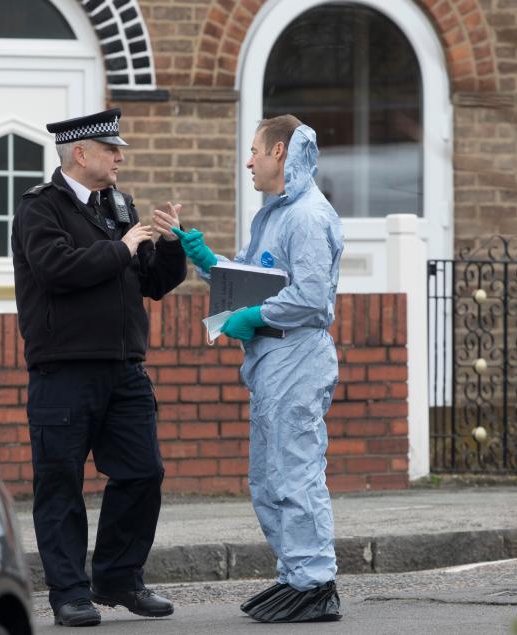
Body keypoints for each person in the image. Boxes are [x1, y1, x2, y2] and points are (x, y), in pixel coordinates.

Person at [11, 108, 186, 627]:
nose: (120, 157)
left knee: (143, 472)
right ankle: (69, 593)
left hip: (125, 370)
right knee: (60, 483)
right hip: (63, 372)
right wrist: (121, 247)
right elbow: (57, 269)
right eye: (112, 150)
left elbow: (151, 282)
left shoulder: (120, 206)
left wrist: (170, 244)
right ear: (80, 154)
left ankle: (119, 578)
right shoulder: (40, 210)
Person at [174, 114, 344, 622]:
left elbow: (312, 298)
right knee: (268, 477)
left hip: (297, 359)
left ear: (279, 153)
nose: (248, 161)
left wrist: (256, 315)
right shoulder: (273, 215)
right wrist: (205, 259)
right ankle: (296, 573)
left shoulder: (308, 216)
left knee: (296, 472)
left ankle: (316, 582)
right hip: (274, 363)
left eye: (254, 150)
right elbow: (253, 276)